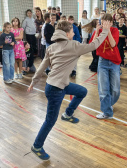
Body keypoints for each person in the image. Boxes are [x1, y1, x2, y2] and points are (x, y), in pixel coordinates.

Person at [27, 20, 111, 160]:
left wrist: (33, 82)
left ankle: (67, 114)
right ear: (67, 34)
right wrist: (105, 32)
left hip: (55, 85)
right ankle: (37, 146)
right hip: (56, 90)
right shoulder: (74, 46)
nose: (74, 33)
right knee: (50, 120)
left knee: (82, 91)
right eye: (72, 31)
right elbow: (94, 45)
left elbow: (42, 66)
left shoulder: (52, 47)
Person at [89, 14, 121, 119]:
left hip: (114, 62)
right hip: (102, 62)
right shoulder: (98, 31)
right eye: (103, 23)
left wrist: (107, 32)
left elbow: (112, 44)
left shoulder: (115, 31)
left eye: (107, 23)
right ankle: (107, 112)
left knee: (115, 89)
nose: (105, 25)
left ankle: (108, 104)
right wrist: (97, 32)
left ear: (111, 23)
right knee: (103, 88)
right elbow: (93, 45)